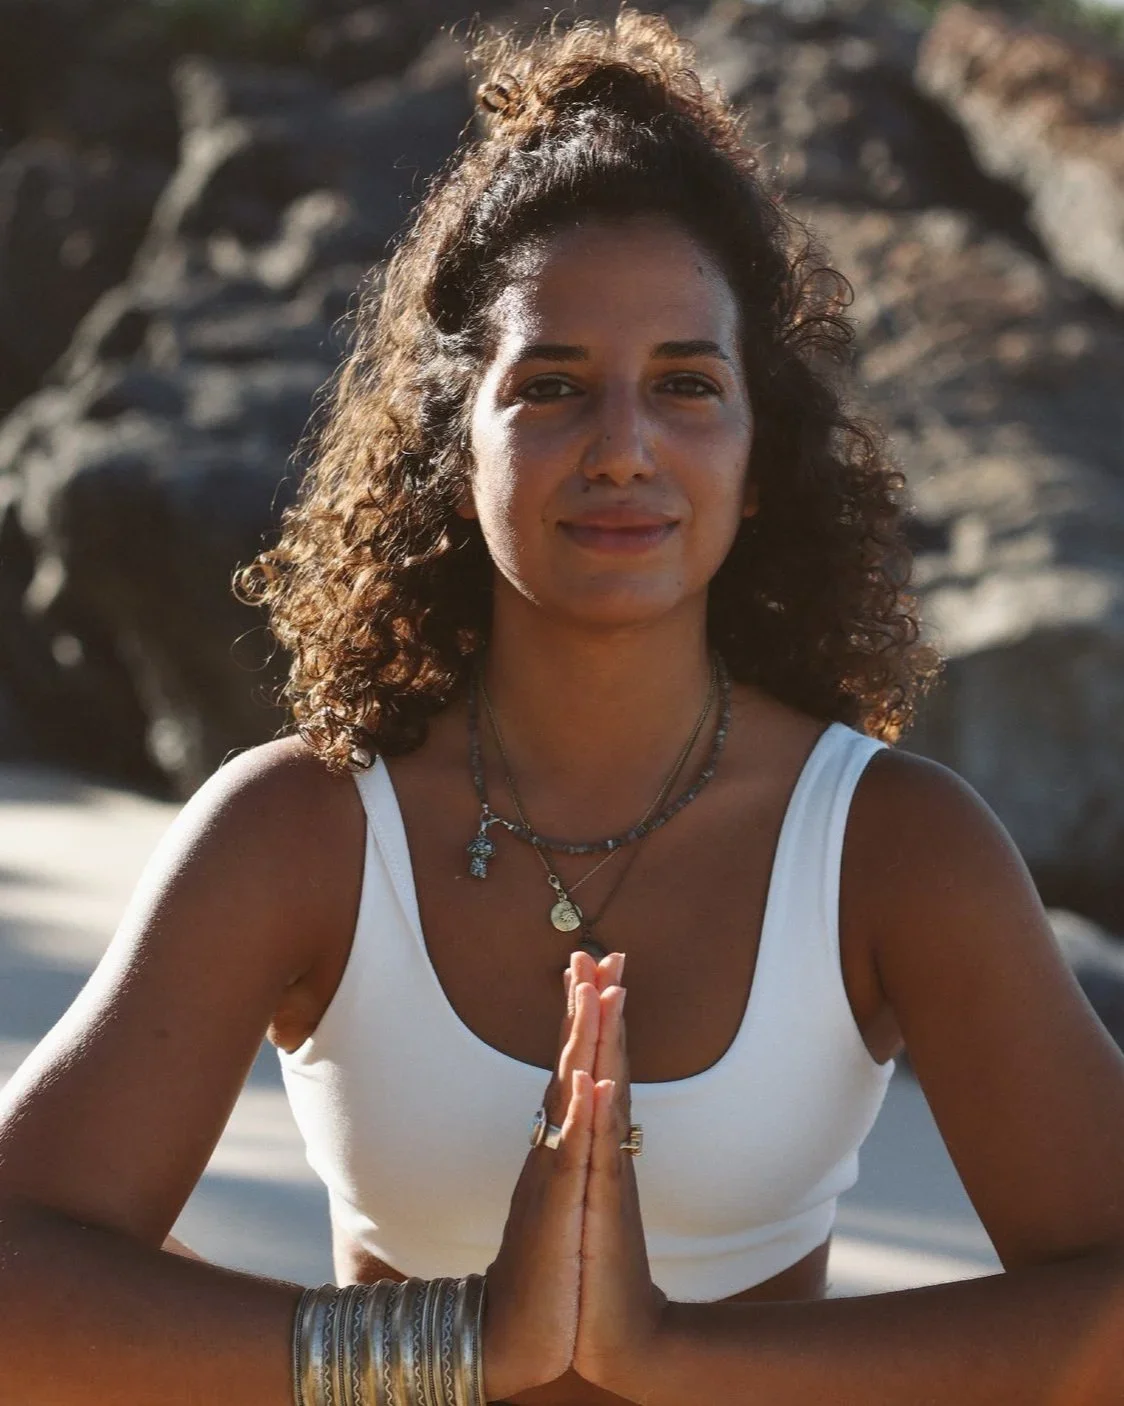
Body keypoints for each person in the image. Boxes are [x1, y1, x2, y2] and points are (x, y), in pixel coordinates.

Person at [2, 7, 1124, 1404]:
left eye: (685, 384)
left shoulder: (890, 856)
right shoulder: (301, 833)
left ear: (756, 456)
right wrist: (443, 1354)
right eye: (551, 385)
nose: (622, 447)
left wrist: (669, 1354)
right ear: (451, 442)